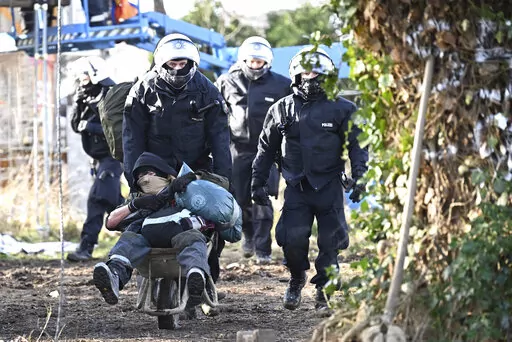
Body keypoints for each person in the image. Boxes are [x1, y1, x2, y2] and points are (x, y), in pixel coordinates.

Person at [251, 47, 368, 311]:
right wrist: (257, 183)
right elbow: (265, 148)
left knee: (330, 243)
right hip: (295, 185)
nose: (310, 76)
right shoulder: (280, 109)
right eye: (305, 72)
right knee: (291, 240)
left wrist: (360, 178)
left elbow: (358, 147)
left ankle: (324, 292)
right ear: (295, 75)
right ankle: (296, 277)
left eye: (315, 72)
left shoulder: (344, 108)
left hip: (329, 186)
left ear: (327, 74)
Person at [122, 33, 232, 282]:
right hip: (154, 168)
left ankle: (205, 280)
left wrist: (224, 181)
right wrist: (134, 178)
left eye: (183, 63)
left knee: (212, 226)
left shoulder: (208, 91)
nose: (178, 68)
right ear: (161, 63)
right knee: (145, 221)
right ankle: (140, 273)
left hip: (196, 169)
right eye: (172, 64)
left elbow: (220, 140)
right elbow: (131, 139)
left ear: (192, 63)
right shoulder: (142, 90)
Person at [93, 152, 238, 314]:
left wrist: (194, 177)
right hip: (148, 241)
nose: (145, 179)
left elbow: (223, 186)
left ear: (165, 174)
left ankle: (196, 277)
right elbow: (110, 222)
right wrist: (135, 205)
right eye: (140, 176)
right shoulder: (138, 196)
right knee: (129, 238)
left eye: (150, 173)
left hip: (182, 233)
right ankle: (114, 275)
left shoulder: (184, 188)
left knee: (194, 239)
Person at [215, 36, 291, 264]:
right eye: (251, 61)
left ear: (267, 62)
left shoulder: (281, 84)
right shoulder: (226, 81)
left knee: (264, 198)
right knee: (240, 198)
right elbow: (215, 113)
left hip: (268, 151)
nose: (255, 65)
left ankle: (263, 249)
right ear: (243, 60)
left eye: (260, 62)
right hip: (237, 149)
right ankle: (247, 234)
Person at [67, 56, 124, 262]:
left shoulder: (111, 94)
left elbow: (119, 129)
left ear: (94, 73)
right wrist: (78, 101)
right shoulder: (85, 95)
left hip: (112, 157)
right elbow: (75, 125)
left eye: (83, 74)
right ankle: (140, 234)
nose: (80, 78)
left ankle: (86, 247)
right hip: (98, 159)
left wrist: (90, 127)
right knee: (113, 202)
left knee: (97, 198)